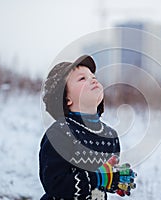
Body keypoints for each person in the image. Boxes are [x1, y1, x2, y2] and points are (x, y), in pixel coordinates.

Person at [39, 55, 137, 200]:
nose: (92, 79)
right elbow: (54, 183)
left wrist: (115, 180)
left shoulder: (110, 136)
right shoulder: (60, 133)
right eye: (82, 78)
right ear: (66, 99)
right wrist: (100, 178)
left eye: (92, 76)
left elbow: (103, 179)